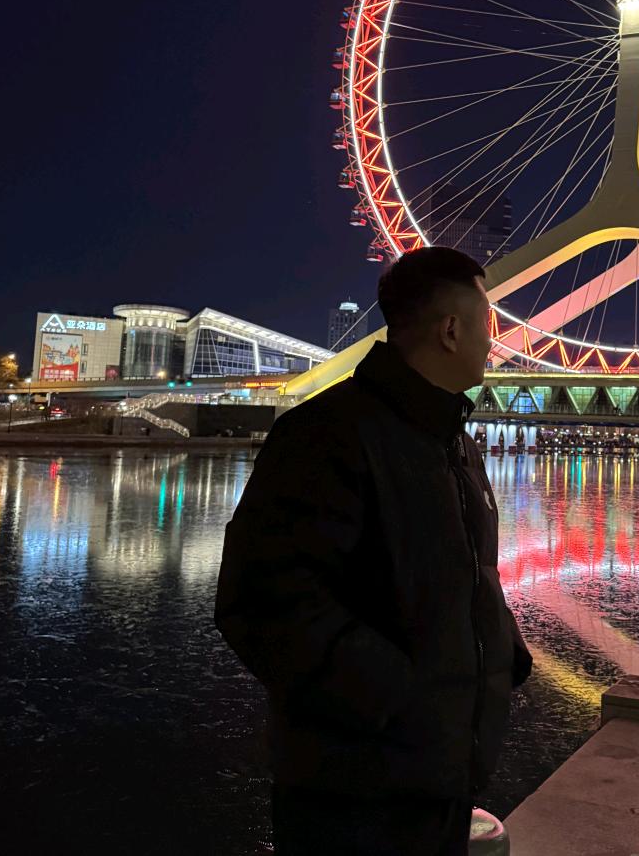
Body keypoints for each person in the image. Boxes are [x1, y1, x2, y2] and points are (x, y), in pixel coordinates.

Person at [215, 247, 532, 856]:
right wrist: (396, 697)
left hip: (441, 782)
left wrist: (501, 654)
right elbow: (263, 601)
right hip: (353, 798)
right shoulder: (325, 435)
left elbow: (463, 579)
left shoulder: (457, 449)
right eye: (489, 324)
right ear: (450, 329)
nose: (496, 343)